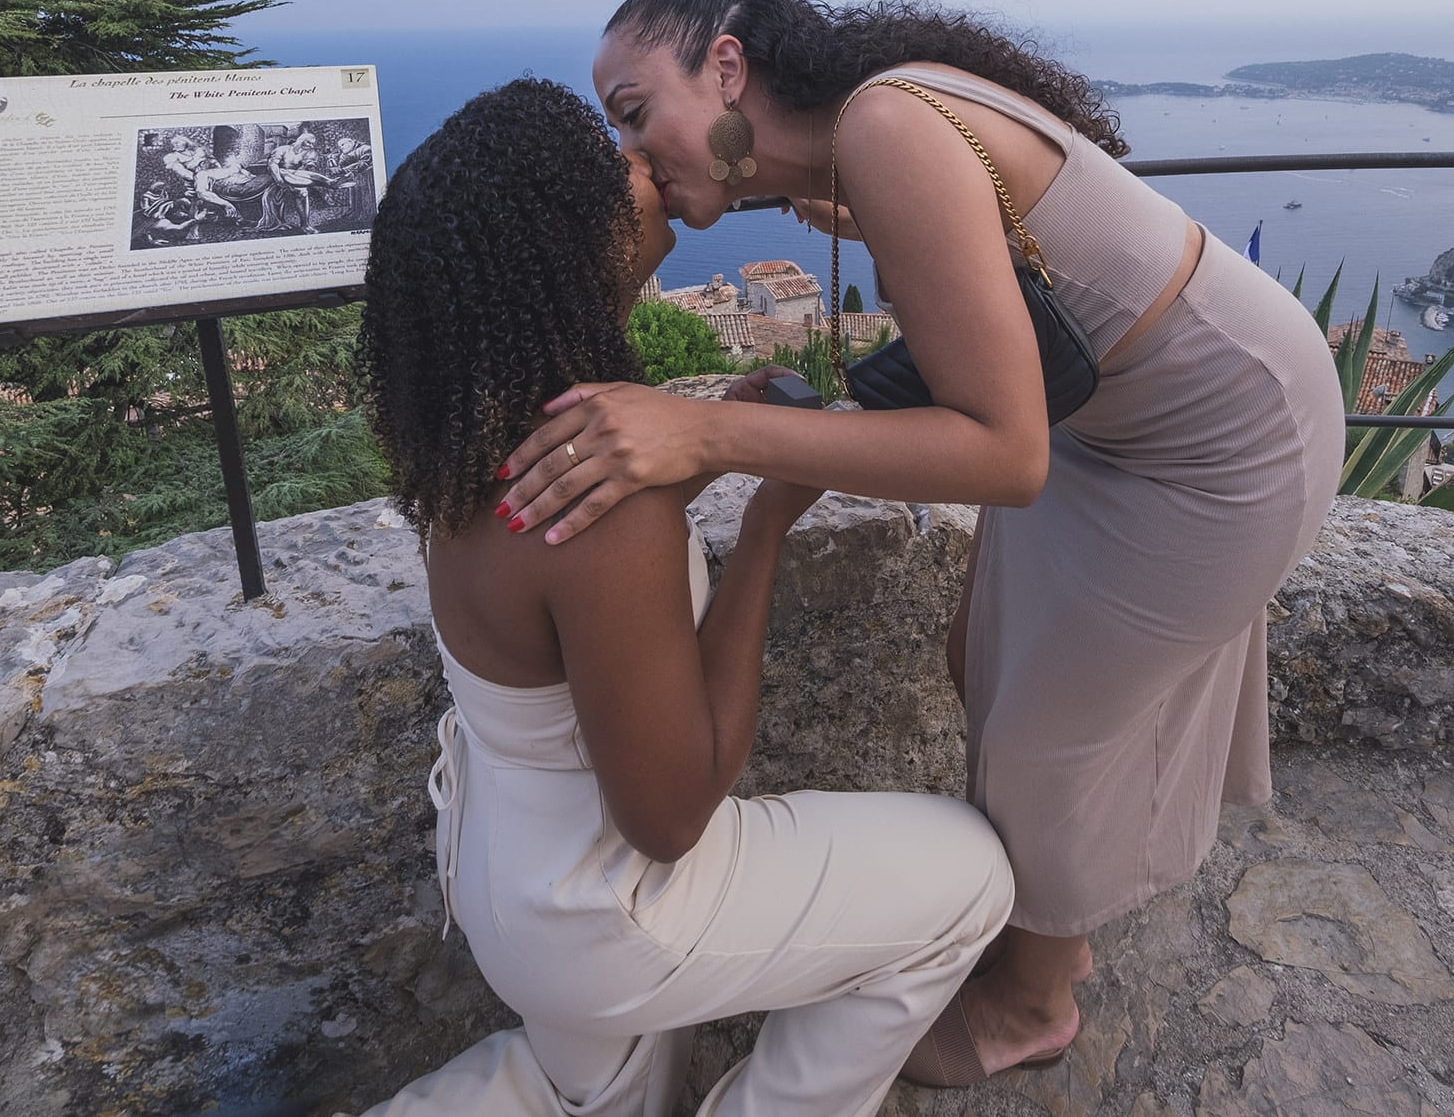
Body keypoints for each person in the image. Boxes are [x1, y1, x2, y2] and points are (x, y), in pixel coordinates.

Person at [497, 0, 1345, 1083]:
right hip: (1110, 419)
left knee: (1048, 732)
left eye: (635, 110)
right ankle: (1057, 916)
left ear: (729, 69)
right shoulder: (868, 142)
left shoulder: (886, 127)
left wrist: (704, 426)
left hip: (1217, 438)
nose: (631, 155)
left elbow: (1003, 455)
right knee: (981, 653)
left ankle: (1034, 998)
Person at [349, 78, 1013, 1116]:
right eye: (609, 164)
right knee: (974, 874)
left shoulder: (476, 440)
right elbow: (671, 815)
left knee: (599, 1089)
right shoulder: (609, 521)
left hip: (499, 874)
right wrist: (760, 534)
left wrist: (702, 454)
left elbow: (561, 579)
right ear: (567, 249)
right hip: (606, 908)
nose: (642, 160)